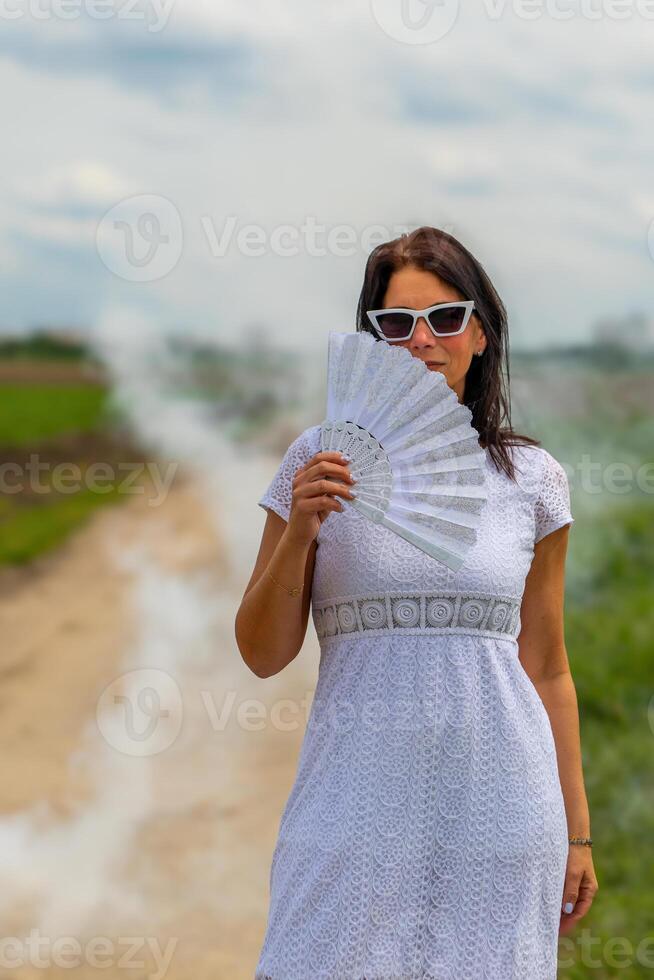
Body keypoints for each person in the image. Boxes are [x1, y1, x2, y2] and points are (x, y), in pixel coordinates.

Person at [235, 226, 598, 979]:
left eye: (444, 317)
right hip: (351, 800)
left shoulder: (532, 479)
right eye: (396, 323)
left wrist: (579, 834)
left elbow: (547, 666)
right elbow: (263, 654)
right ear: (370, 339)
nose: (421, 340)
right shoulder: (317, 462)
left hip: (504, 805)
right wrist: (302, 531)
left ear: (481, 333)